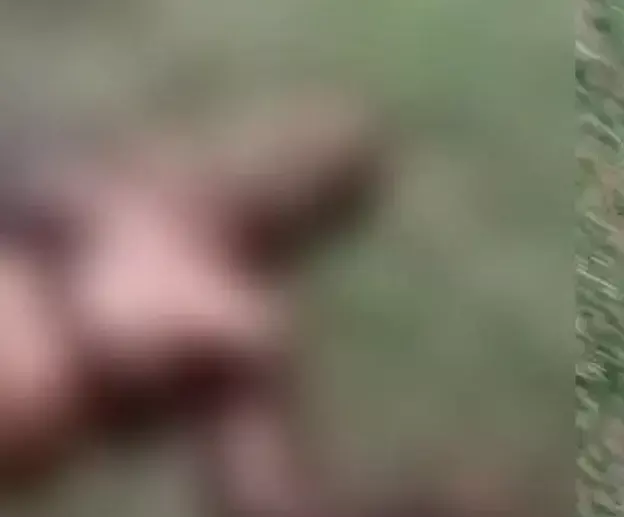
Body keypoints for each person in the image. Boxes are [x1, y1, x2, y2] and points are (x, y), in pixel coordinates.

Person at [0, 93, 387, 516]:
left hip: (34, 408)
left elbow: (261, 498)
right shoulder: (135, 188)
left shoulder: (241, 331)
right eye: (293, 158)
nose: (289, 180)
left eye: (313, 183)